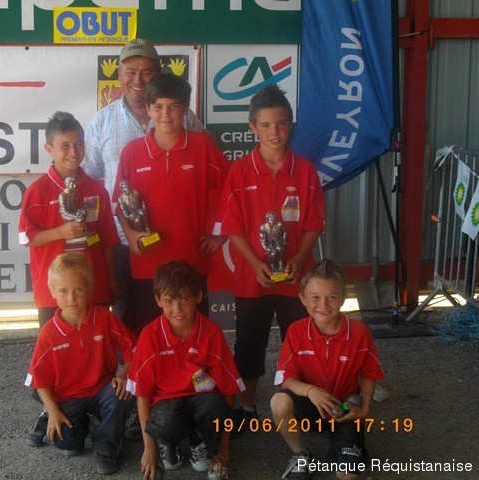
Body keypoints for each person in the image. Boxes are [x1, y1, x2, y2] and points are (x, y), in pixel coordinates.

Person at [216, 84, 325, 424]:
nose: (273, 132)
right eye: (265, 125)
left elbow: (314, 224)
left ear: (290, 124)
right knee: (250, 343)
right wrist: (254, 263)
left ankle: (306, 405)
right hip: (254, 278)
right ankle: (247, 406)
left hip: (297, 276)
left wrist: (298, 259)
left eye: (280, 124)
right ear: (253, 127)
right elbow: (232, 227)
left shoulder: (305, 170)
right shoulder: (239, 171)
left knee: (303, 342)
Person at [83, 38, 204, 331]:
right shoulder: (101, 121)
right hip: (124, 243)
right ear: (119, 74)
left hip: (176, 241)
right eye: (130, 71)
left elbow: (206, 172)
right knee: (130, 321)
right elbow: (87, 178)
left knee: (182, 318)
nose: (138, 80)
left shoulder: (186, 118)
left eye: (146, 71)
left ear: (158, 74)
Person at [18, 111, 120, 447]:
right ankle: (51, 411)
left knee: (96, 356)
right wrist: (60, 232)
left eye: (78, 144)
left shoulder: (96, 189)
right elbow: (26, 237)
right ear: (49, 148)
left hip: (93, 290)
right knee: (54, 359)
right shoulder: (38, 190)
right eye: (65, 145)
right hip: (55, 296)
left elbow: (108, 240)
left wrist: (110, 281)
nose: (73, 152)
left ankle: (102, 411)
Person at [112, 73, 230, 332]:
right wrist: (130, 234)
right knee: (150, 332)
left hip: (192, 258)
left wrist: (220, 233)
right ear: (148, 109)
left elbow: (231, 189)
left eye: (173, 106)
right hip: (148, 263)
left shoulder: (202, 146)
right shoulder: (132, 152)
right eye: (158, 106)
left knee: (195, 330)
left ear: (185, 109)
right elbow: (121, 204)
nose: (165, 114)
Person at [126, 260, 244, 480]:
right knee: (166, 421)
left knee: (215, 408)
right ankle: (168, 443)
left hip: (203, 399)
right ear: (158, 300)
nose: (177, 309)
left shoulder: (212, 333)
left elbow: (229, 392)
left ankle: (199, 439)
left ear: (199, 296)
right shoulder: (150, 336)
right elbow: (142, 394)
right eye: (169, 301)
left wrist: (222, 450)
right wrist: (149, 448)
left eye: (184, 299)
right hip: (166, 405)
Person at [270, 259, 384, 480]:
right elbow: (287, 379)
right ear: (303, 299)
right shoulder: (295, 331)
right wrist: (311, 391)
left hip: (343, 409)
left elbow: (369, 373)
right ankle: (300, 454)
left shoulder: (359, 332)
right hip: (310, 404)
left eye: (332, 297)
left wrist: (364, 409)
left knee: (347, 475)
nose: (323, 305)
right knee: (279, 401)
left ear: (343, 299)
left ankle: (342, 443)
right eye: (315, 297)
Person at [24, 253, 136, 476]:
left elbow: (134, 351)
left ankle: (106, 446)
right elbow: (39, 381)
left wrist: (124, 375)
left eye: (79, 290)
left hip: (102, 388)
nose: (71, 298)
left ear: (90, 288)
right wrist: (53, 411)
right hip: (67, 396)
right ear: (52, 291)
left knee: (126, 392)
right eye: (63, 291)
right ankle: (81, 424)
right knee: (64, 442)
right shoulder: (49, 332)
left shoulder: (104, 318)